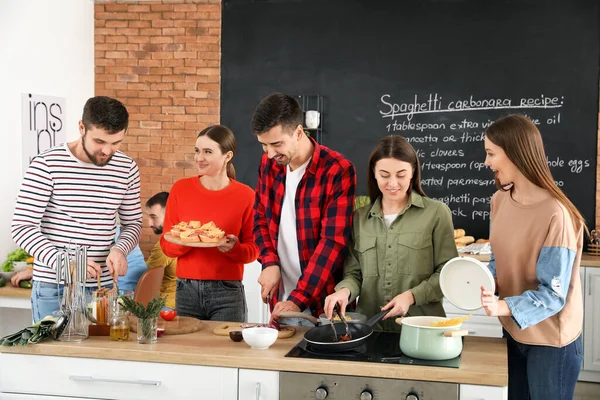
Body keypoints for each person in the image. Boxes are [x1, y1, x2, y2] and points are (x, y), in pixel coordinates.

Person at [11, 96, 142, 323]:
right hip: (55, 288)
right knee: (53, 357)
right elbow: (22, 227)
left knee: (101, 357)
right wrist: (67, 265)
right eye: (100, 141)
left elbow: (132, 223)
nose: (107, 150)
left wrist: (121, 249)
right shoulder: (46, 165)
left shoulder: (126, 168)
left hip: (103, 288)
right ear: (81, 127)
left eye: (116, 142)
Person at [480, 114, 584, 400]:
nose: (486, 162)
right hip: (514, 331)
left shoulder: (555, 213)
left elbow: (553, 294)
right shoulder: (499, 200)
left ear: (514, 153)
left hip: (551, 343)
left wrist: (502, 307)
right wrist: (486, 280)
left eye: (491, 153)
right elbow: (497, 259)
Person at [323, 136, 458, 332]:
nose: (392, 183)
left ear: (413, 172)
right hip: (370, 330)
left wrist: (411, 296)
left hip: (422, 329)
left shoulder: (437, 213)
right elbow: (354, 274)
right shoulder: (359, 218)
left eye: (401, 174)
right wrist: (344, 292)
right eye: (384, 174)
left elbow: (447, 273)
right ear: (374, 174)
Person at [251, 93, 356, 325]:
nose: (269, 154)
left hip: (322, 303)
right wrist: (269, 261)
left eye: (277, 144)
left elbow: (333, 243)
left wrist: (298, 299)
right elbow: (259, 217)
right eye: (264, 145)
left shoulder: (337, 170)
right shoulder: (269, 164)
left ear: (299, 132)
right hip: (280, 300)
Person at [160, 125, 258, 322]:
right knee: (188, 351)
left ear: (227, 156)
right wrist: (186, 240)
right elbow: (166, 246)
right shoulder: (181, 189)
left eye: (207, 152)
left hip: (227, 292)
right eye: (197, 151)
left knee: (227, 351)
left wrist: (233, 248)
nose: (199, 157)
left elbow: (253, 250)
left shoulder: (246, 195)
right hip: (185, 290)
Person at [145, 191, 177, 309]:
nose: (149, 223)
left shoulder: (165, 245)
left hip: (167, 307)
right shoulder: (186, 237)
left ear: (170, 215)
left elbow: (145, 279)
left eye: (154, 217)